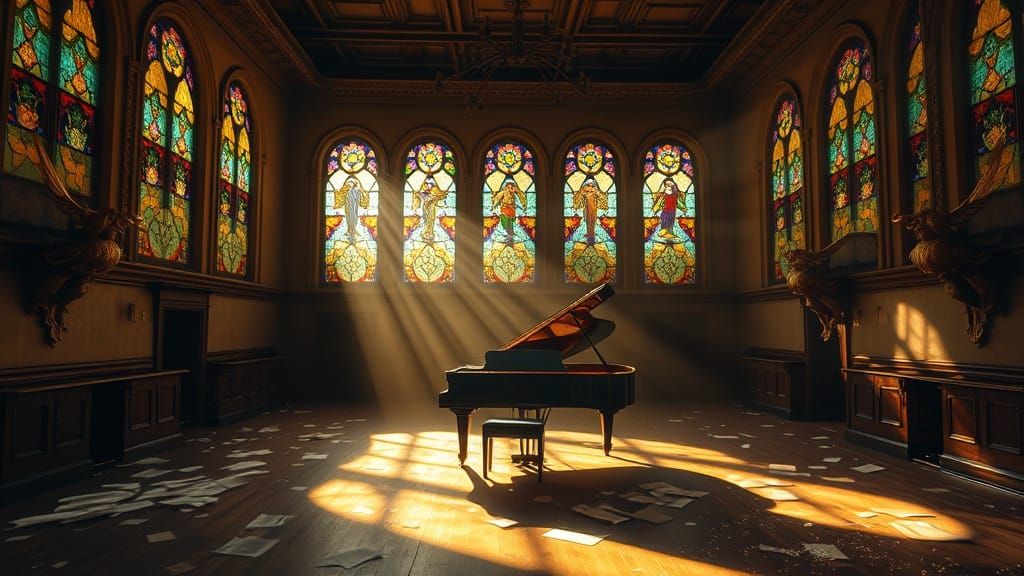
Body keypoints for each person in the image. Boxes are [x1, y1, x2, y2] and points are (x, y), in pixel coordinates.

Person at [572, 177, 608, 244]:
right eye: (588, 185)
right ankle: (589, 236)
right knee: (587, 221)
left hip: (594, 211)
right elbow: (576, 205)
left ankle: (592, 236)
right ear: (584, 186)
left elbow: (604, 205)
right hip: (586, 211)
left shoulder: (597, 194)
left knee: (592, 222)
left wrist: (598, 194)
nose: (590, 188)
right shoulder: (582, 193)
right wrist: (582, 194)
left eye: (592, 186)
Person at [412, 175, 447, 242]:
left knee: (430, 220)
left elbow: (441, 196)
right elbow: (418, 194)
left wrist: (441, 195)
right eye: (426, 184)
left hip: (431, 210)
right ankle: (427, 231)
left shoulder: (434, 196)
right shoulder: (424, 194)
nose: (428, 186)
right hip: (425, 209)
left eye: (429, 184)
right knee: (426, 219)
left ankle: (430, 232)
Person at [492, 179, 527, 244]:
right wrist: (494, 207)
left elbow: (520, 200)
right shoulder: (502, 193)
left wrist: (523, 206)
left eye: (511, 187)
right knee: (504, 221)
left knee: (510, 223)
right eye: (508, 187)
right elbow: (497, 199)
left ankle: (510, 236)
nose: (509, 189)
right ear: (505, 187)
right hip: (504, 209)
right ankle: (508, 235)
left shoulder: (515, 195)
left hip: (511, 210)